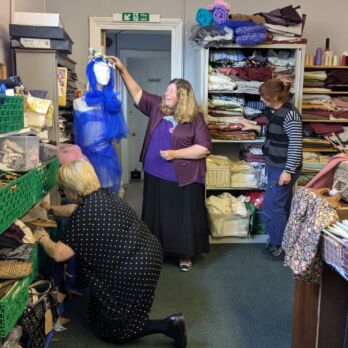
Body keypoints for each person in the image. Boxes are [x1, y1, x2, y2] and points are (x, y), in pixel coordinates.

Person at [34, 160, 187, 347]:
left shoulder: (85, 215)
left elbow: (58, 253)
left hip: (131, 269)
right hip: (147, 254)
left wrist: (42, 237)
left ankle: (169, 325)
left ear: (73, 192)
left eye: (63, 190)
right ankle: (130, 315)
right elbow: (73, 209)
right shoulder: (103, 196)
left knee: (114, 331)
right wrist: (51, 209)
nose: (63, 193)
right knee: (107, 313)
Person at [109, 56, 212, 271]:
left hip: (183, 178)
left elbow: (203, 148)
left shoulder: (195, 118)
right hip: (155, 173)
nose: (167, 93)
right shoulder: (157, 107)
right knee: (156, 216)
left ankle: (184, 255)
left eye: (171, 91)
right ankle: (156, 251)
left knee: (182, 218)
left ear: (183, 96)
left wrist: (175, 153)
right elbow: (136, 92)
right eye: (167, 90)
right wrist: (122, 69)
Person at [239, 78, 303, 259]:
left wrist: (288, 171)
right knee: (281, 206)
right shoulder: (275, 111)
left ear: (275, 96)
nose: (261, 99)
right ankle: (286, 243)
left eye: (263, 96)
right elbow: (274, 134)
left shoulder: (290, 114)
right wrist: (252, 126)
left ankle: (279, 246)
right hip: (276, 165)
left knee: (272, 206)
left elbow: (296, 145)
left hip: (283, 167)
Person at [73, 50, 128, 193]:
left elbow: (116, 132)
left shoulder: (112, 103)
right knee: (87, 194)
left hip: (106, 158)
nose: (106, 75)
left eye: (108, 71)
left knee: (107, 196)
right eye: (100, 70)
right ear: (92, 73)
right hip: (86, 159)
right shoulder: (79, 103)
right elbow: (79, 135)